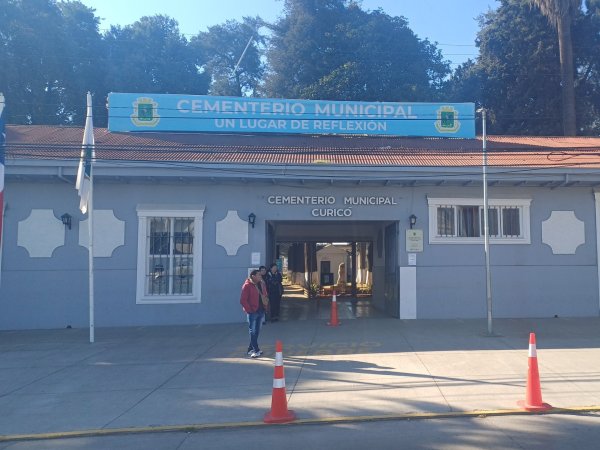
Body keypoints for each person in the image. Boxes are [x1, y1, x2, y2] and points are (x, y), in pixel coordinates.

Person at [240, 269, 266, 358]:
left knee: (257, 331)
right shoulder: (247, 285)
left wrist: (265, 305)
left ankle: (250, 349)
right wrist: (250, 310)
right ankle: (256, 350)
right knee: (253, 331)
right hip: (253, 312)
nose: (260, 276)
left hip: (261, 310)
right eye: (258, 275)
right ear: (253, 276)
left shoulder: (261, 284)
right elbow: (243, 300)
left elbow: (264, 294)